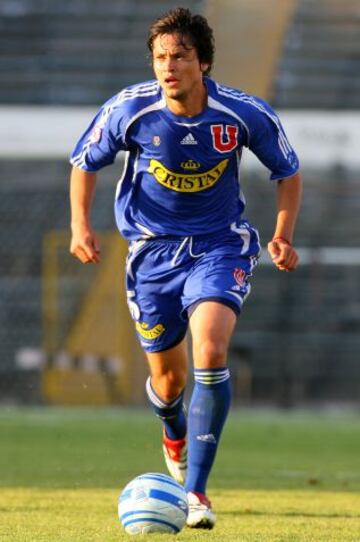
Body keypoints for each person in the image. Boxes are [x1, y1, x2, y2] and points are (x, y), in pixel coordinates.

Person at [69, 7, 302, 529]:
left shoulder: (242, 114)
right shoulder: (129, 110)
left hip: (220, 245)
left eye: (180, 56)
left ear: (204, 62)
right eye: (160, 58)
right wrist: (80, 227)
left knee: (212, 348)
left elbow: (287, 171)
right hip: (151, 253)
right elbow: (85, 163)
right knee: (169, 383)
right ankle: (172, 430)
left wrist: (283, 235)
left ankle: (196, 491)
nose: (169, 67)